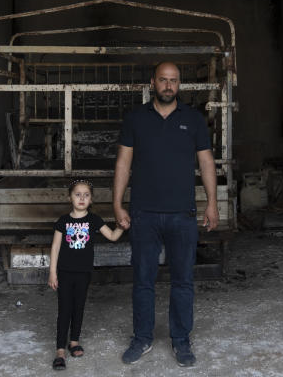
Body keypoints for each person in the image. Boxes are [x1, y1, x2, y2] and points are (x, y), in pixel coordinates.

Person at [113, 61, 219, 368]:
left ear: (179, 85)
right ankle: (142, 338)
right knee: (143, 280)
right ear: (153, 82)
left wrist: (211, 203)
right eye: (163, 80)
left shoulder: (194, 120)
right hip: (144, 214)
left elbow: (207, 163)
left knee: (183, 281)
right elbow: (123, 162)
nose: (168, 85)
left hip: (182, 215)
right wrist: (117, 203)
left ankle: (181, 340)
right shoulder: (135, 118)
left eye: (173, 81)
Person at [48, 179, 125, 371]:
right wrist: (52, 272)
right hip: (64, 273)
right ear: (70, 197)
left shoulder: (94, 220)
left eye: (86, 195)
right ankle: (59, 350)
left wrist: (122, 226)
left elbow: (113, 237)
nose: (82, 198)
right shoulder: (63, 221)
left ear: (91, 200)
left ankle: (74, 341)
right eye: (77, 194)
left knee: (79, 307)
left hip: (83, 273)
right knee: (65, 309)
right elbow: (56, 247)